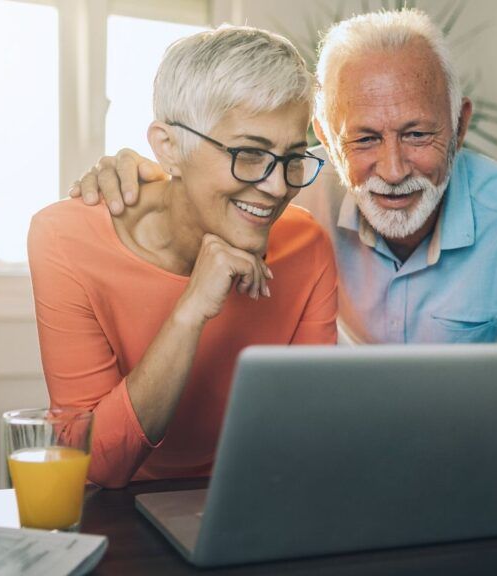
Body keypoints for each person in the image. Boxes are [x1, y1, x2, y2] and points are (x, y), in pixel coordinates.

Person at [69, 10, 497, 461]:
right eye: (364, 138)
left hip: (468, 475)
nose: (393, 170)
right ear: (324, 136)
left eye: (417, 134)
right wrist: (140, 173)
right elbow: (209, 184)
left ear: (460, 127)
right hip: (332, 475)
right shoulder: (284, 190)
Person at [28, 26, 338, 488]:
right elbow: (94, 463)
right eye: (249, 154)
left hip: (251, 497)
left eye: (292, 157)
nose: (278, 187)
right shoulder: (64, 239)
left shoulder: (305, 246)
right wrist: (190, 312)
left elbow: (309, 436)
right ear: (169, 148)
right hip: (120, 512)